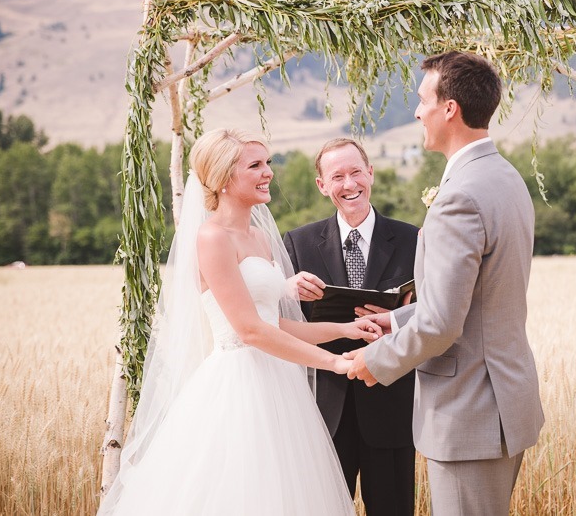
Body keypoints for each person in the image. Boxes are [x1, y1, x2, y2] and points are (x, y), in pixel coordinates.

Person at [98, 128, 385, 515]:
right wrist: (334, 361)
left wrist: (344, 331)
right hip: (238, 387)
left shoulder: (259, 239)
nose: (268, 172)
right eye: (255, 165)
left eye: (267, 163)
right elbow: (248, 330)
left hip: (279, 385)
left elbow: (275, 324)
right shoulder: (212, 238)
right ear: (223, 178)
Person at [345, 51, 544, 516]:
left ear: (449, 108)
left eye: (422, 100)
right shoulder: (505, 177)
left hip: (468, 408)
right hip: (501, 399)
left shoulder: (460, 195)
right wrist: (395, 319)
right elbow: (475, 298)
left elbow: (441, 325)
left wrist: (374, 361)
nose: (417, 112)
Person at [283, 137, 417, 516]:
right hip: (326, 409)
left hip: (392, 406)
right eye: (337, 176)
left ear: (371, 173)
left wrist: (401, 318)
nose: (349, 184)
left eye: (356, 172)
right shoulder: (297, 244)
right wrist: (286, 289)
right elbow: (277, 324)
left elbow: (437, 316)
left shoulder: (413, 239)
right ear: (322, 186)